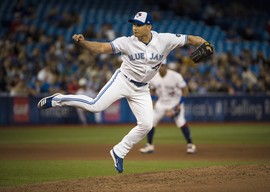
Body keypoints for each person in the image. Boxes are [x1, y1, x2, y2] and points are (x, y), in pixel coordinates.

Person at [37, 11, 213, 173]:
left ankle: (119, 151)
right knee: (94, 106)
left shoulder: (165, 40)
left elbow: (191, 39)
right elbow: (101, 49)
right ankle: (58, 99)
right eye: (133, 24)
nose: (134, 28)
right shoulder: (127, 42)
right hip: (123, 81)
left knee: (146, 124)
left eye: (138, 25)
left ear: (149, 27)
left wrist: (205, 43)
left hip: (142, 88)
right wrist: (83, 42)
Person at [139, 64, 196, 154]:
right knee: (150, 122)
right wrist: (153, 101)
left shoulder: (176, 76)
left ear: (166, 67)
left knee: (181, 122)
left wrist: (179, 104)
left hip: (175, 103)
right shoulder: (154, 77)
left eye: (163, 65)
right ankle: (149, 145)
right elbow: (153, 89)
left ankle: (190, 144)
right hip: (161, 103)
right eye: (159, 65)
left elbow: (185, 90)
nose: (161, 67)